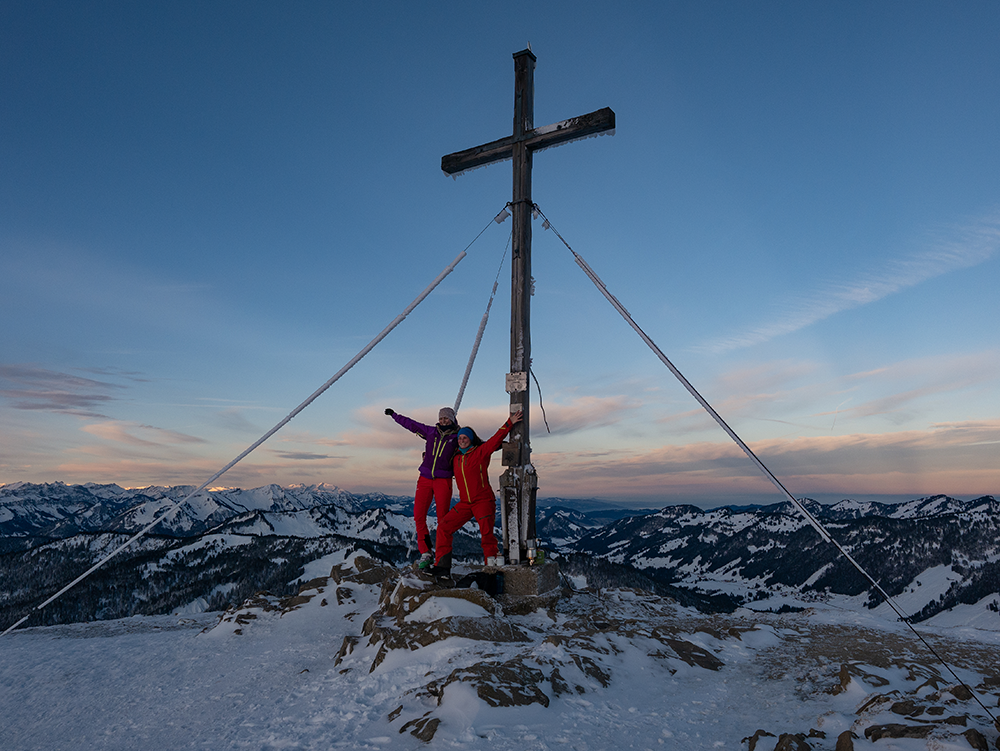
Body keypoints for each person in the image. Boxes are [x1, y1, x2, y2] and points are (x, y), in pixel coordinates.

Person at [431, 409, 523, 576]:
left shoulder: (480, 452)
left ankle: (491, 570)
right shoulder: (457, 458)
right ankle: (442, 567)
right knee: (444, 527)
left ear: (471, 439)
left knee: (487, 536)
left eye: (465, 437)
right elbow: (440, 456)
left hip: (483, 501)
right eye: (459, 438)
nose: (462, 440)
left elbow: (495, 440)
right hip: (465, 503)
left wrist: (509, 422)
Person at [385, 406, 460, 568]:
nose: (443, 421)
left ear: (452, 419)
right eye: (441, 418)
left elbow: (477, 446)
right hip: (425, 478)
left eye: (446, 418)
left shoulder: (457, 437)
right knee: (418, 516)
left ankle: (442, 556)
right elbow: (411, 425)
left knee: (443, 520)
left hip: (443, 480)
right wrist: (394, 416)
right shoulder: (431, 432)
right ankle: (426, 552)